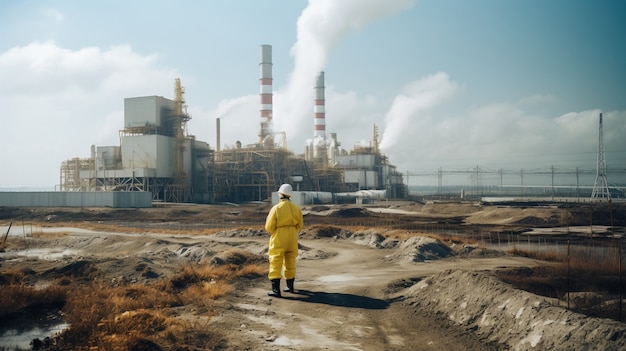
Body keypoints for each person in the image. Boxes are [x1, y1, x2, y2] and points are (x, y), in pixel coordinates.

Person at [264, 183, 303, 297]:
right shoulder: (296, 209)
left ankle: (276, 290)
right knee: (290, 261)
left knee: (276, 261)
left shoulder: (276, 209)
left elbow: (269, 227)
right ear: (290, 195)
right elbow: (300, 225)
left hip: (279, 237)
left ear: (280, 194)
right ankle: (290, 287)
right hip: (292, 237)